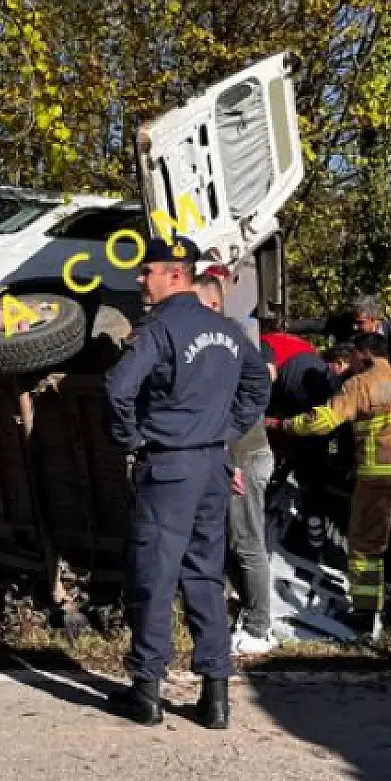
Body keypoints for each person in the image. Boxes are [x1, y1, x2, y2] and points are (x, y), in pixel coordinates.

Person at [103, 237, 270, 728]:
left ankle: (147, 691)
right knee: (204, 575)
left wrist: (131, 438)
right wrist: (226, 429)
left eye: (147, 271)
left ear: (175, 275)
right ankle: (215, 697)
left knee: (155, 575)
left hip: (169, 467)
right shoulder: (225, 330)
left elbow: (117, 388)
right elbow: (258, 385)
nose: (140, 279)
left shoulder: (160, 329)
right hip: (214, 467)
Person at [272, 331, 391, 642]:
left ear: (364, 356)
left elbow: (324, 421)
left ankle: (364, 612)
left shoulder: (359, 384)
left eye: (355, 359)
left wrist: (284, 424)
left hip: (379, 475)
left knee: (367, 545)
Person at [196, 275, 278, 656]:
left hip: (243, 458)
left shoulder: (228, 346)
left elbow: (235, 410)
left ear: (212, 306)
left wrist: (233, 464)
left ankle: (259, 628)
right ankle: (242, 615)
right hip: (232, 457)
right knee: (232, 541)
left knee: (247, 542)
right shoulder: (225, 344)